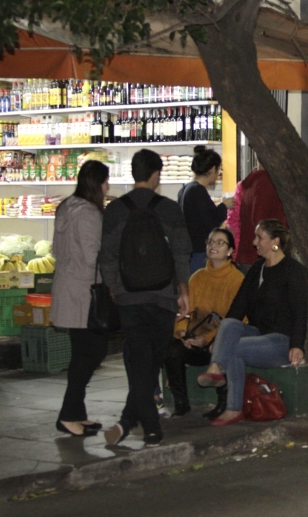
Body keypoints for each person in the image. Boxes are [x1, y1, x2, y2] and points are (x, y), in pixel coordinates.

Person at [100, 149, 192, 448]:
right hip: (163, 297)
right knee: (151, 362)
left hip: (129, 298)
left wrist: (115, 288)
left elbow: (108, 256)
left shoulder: (115, 210)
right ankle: (150, 429)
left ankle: (129, 421)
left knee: (142, 362)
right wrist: (183, 290)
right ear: (156, 175)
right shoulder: (168, 209)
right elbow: (181, 252)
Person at [196, 219, 308, 426]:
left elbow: (301, 311)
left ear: (275, 241)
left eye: (259, 237)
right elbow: (238, 308)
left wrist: (297, 345)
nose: (254, 242)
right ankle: (215, 369)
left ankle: (232, 408)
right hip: (258, 333)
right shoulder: (257, 269)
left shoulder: (294, 271)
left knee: (236, 348)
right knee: (229, 326)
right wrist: (219, 338)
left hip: (280, 341)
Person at [51, 160, 110, 437]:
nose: (107, 187)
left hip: (68, 287)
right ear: (97, 184)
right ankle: (68, 415)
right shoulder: (88, 213)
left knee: (82, 354)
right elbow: (92, 256)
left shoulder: (66, 206)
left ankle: (78, 413)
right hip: (84, 292)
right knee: (91, 353)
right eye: (105, 182)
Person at [164, 228, 243, 419]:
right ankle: (181, 403)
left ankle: (223, 403)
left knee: (219, 347)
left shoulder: (237, 279)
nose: (213, 246)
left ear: (230, 250)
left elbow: (238, 320)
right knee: (171, 349)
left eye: (219, 242)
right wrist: (183, 334)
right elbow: (185, 313)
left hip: (218, 340)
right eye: (210, 242)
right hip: (194, 339)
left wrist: (206, 339)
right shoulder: (197, 277)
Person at [178, 146, 228, 274]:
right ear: (212, 169)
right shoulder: (197, 191)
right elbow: (211, 222)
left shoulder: (185, 189)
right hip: (198, 251)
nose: (218, 175)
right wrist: (225, 206)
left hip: (188, 250)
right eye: (218, 170)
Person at [228, 163, 287, 270]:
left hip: (247, 253)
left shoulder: (252, 182)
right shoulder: (266, 182)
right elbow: (261, 221)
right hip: (260, 256)